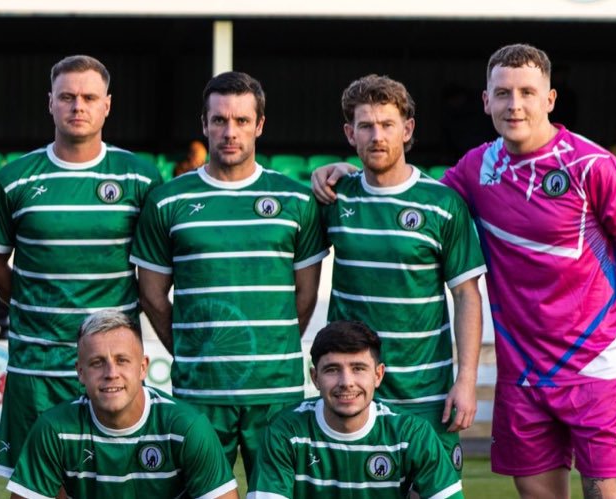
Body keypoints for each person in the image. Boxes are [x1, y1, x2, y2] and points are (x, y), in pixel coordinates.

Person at [312, 44, 616, 499]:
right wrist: (346, 169)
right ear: (486, 101)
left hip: (596, 364)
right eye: (502, 93)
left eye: (526, 92)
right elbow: (410, 199)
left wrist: (612, 307)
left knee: (608, 492)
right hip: (521, 369)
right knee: (537, 492)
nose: (514, 104)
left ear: (550, 99)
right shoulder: (475, 169)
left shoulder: (593, 166)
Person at [131, 71, 328, 479]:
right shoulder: (169, 201)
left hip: (276, 392)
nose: (229, 131)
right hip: (199, 391)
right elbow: (151, 296)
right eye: (219, 120)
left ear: (259, 125)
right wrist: (191, 349)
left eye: (241, 121)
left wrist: (272, 348)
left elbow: (305, 295)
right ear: (204, 124)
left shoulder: (295, 199)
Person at [0, 54, 161, 478]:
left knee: (114, 481)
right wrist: (33, 305)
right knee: (33, 486)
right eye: (67, 97)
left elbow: (154, 272)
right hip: (37, 366)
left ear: (107, 105)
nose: (77, 106)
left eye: (88, 97)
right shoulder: (14, 179)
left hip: (112, 369)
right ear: (50, 103)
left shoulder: (139, 178)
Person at [326, 74, 485, 470]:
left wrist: (466, 381)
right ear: (350, 133)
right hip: (354, 392)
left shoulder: (443, 204)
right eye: (365, 126)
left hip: (426, 394)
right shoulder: (333, 197)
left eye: (387, 124)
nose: (376, 136)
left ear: (407, 129)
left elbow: (467, 295)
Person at [6, 310, 238, 499]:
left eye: (122, 360)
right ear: (80, 372)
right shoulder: (54, 429)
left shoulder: (186, 428)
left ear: (143, 367)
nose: (111, 373)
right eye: (97, 363)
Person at [249, 321, 465, 499]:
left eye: (358, 369)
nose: (346, 382)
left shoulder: (411, 434)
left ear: (378, 375)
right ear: (315, 378)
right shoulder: (286, 431)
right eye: (332, 370)